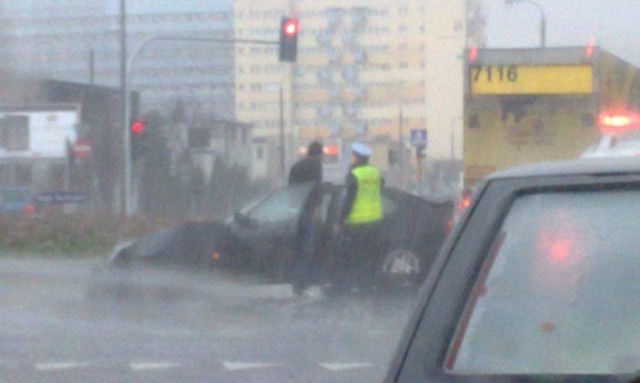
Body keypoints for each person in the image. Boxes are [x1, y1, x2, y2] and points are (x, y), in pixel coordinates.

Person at [330, 142, 384, 295]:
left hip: (356, 222)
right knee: (369, 255)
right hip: (374, 221)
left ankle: (346, 285)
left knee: (351, 256)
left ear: (357, 158)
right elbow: (382, 186)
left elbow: (348, 200)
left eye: (353, 156)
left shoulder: (354, 175)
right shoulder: (375, 172)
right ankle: (367, 284)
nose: (351, 159)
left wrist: (339, 221)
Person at [288, 141, 324, 297]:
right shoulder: (316, 166)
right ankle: (301, 286)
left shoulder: (296, 167)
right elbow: (317, 189)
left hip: (294, 211)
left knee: (297, 249)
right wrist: (317, 208)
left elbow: (290, 188)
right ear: (319, 154)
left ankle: (296, 284)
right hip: (307, 211)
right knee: (306, 250)